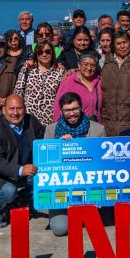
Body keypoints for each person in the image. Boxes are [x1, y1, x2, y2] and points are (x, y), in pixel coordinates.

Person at [0, 95, 44, 227]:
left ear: (24, 109)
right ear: (3, 110)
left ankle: (19, 201)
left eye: (19, 108)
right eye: (11, 109)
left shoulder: (32, 121)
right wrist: (20, 170)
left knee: (45, 177)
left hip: (24, 170)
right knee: (9, 191)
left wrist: (61, 138)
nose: (15, 113)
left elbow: (43, 139)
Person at [43, 93, 105, 236]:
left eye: (75, 109)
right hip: (61, 190)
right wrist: (58, 145)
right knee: (60, 229)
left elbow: (102, 164)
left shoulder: (97, 129)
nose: (71, 113)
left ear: (81, 108)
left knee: (92, 225)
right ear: (61, 111)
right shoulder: (51, 130)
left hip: (87, 188)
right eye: (67, 110)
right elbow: (46, 165)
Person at [14, 41, 65, 126]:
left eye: (48, 51)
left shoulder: (60, 72)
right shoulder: (27, 69)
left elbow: (63, 97)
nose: (44, 55)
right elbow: (18, 93)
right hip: (29, 122)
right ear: (36, 54)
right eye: (40, 52)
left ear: (53, 53)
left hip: (52, 122)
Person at [100, 31, 130, 136]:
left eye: (125, 42)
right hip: (107, 119)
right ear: (114, 46)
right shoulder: (104, 61)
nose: (122, 46)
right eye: (118, 44)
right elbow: (88, 72)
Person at [54, 51, 102, 123]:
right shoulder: (69, 80)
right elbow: (58, 104)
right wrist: (57, 124)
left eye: (92, 65)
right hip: (74, 125)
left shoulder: (99, 80)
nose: (89, 68)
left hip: (95, 125)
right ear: (79, 65)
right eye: (85, 64)